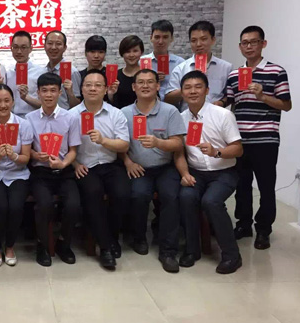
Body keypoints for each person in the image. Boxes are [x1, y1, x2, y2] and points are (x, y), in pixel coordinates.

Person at [227, 26, 292, 250]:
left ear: (263, 44)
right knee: (242, 185)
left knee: (265, 186)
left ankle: (263, 229)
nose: (249, 46)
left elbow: (286, 105)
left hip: (266, 139)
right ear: (240, 46)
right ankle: (243, 224)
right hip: (239, 140)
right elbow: (228, 101)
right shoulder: (235, 74)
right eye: (245, 43)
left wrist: (262, 96)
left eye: (253, 42)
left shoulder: (276, 72)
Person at [175, 70, 243, 274]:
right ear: (182, 92)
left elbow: (238, 149)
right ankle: (192, 250)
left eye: (198, 87)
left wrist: (217, 152)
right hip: (196, 172)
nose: (193, 91)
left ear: (207, 90)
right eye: (188, 88)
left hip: (224, 172)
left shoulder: (223, 115)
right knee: (186, 197)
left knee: (211, 202)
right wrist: (185, 174)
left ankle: (232, 256)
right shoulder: (180, 119)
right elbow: (179, 153)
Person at [121, 69, 185, 273]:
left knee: (171, 197)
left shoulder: (170, 111)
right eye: (140, 82)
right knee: (138, 195)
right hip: (138, 167)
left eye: (150, 82)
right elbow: (119, 145)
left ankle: (168, 251)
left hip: (165, 167)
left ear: (158, 86)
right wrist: (128, 162)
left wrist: (159, 143)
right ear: (134, 87)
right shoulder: (124, 113)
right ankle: (138, 238)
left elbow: (178, 143)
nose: (145, 86)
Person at [69, 69, 130, 270]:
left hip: (110, 164)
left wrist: (103, 140)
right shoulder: (71, 115)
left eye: (97, 85)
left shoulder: (115, 113)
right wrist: (75, 164)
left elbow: (124, 144)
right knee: (93, 193)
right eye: (88, 85)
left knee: (122, 194)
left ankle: (112, 237)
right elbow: (64, 148)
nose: (93, 89)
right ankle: (105, 248)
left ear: (105, 89)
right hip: (84, 166)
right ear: (82, 89)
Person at [26, 72, 82, 267]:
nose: (48, 95)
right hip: (40, 173)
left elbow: (73, 150)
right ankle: (42, 245)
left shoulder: (70, 118)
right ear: (38, 93)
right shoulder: (29, 118)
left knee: (74, 205)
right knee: (44, 205)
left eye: (53, 90)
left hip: (64, 172)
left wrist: (63, 164)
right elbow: (26, 150)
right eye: (44, 91)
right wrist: (35, 155)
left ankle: (63, 243)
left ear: (59, 93)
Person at [0, 84, 33, 267]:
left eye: (7, 100)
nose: (3, 105)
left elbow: (25, 159)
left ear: (13, 102)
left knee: (16, 207)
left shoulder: (23, 125)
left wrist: (14, 156)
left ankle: (9, 246)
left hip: (18, 174)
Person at [165, 20, 232, 110]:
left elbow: (230, 95)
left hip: (216, 115)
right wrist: (187, 87)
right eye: (193, 40)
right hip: (188, 116)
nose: (198, 44)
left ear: (213, 40)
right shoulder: (181, 68)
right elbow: (168, 99)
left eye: (203, 39)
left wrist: (222, 102)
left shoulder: (226, 67)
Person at [140, 20, 185, 100]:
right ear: (151, 38)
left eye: (165, 37)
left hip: (174, 105)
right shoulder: (142, 61)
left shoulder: (180, 63)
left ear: (171, 38)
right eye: (157, 37)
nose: (160, 42)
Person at [5, 30, 44, 117]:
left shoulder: (40, 73)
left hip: (33, 119)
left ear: (30, 49)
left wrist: (26, 98)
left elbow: (46, 104)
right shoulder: (8, 74)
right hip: (12, 119)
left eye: (23, 47)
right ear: (11, 48)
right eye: (15, 47)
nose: (19, 51)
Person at [43, 30, 81, 109]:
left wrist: (70, 93)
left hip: (66, 115)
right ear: (45, 46)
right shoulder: (43, 71)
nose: (53, 47)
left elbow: (78, 106)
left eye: (58, 44)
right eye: (50, 43)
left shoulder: (72, 72)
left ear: (65, 48)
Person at [108, 35, 143, 109]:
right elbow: (110, 104)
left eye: (135, 51)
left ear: (141, 52)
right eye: (127, 51)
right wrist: (110, 94)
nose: (131, 55)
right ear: (122, 53)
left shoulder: (147, 75)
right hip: (120, 114)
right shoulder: (115, 76)